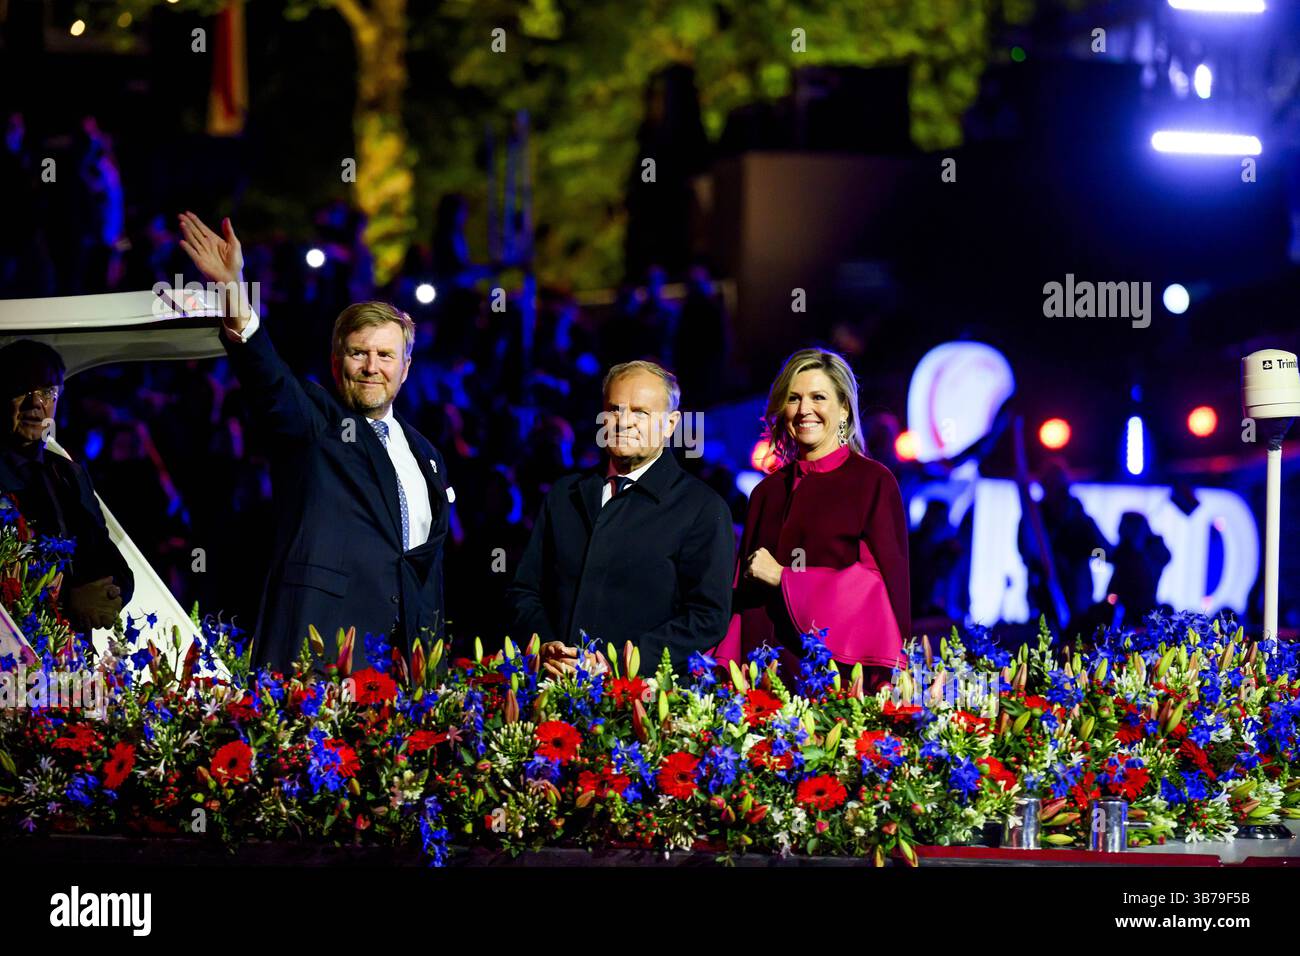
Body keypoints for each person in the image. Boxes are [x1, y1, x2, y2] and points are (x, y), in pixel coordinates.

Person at [178, 211, 452, 672]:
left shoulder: (427, 456)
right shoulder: (315, 421)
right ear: (335, 361)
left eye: (386, 355)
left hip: (405, 672)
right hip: (320, 655)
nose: (371, 366)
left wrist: (432, 665)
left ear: (406, 368)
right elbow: (269, 381)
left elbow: (424, 569)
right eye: (357, 352)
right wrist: (233, 290)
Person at [506, 360, 733, 676]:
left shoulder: (702, 509)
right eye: (614, 409)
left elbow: (707, 616)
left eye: (640, 412)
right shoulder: (564, 495)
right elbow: (524, 590)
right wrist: (545, 645)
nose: (623, 422)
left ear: (671, 424)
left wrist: (625, 662)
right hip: (553, 690)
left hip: (640, 704)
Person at [715, 348, 910, 690]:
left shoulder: (873, 482)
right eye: (793, 398)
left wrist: (785, 579)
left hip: (840, 683)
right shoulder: (765, 492)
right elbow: (742, 596)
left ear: (844, 408)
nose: (804, 409)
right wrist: (723, 671)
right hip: (764, 686)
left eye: (818, 397)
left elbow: (879, 588)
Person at [0, 340, 133, 632]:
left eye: (47, 391)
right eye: (23, 387)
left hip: (69, 659)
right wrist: (68, 601)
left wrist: (109, 595)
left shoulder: (68, 474)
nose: (36, 403)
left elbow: (110, 561)